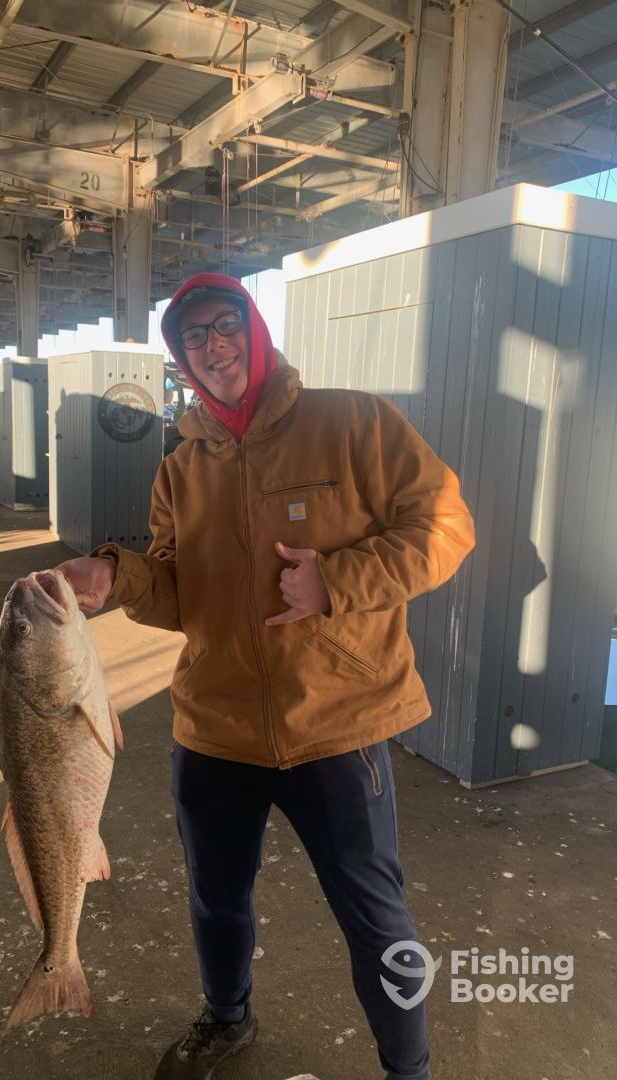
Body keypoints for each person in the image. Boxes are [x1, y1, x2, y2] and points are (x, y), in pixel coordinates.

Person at [56, 272, 475, 1080]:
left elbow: (447, 525)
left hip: (336, 723)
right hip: (215, 729)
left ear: (255, 329)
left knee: (376, 918)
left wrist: (337, 581)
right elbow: (178, 589)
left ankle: (410, 1069)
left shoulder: (354, 422)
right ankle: (227, 1019)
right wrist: (117, 575)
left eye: (225, 325)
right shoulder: (180, 468)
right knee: (216, 899)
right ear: (181, 358)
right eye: (194, 337)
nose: (213, 345)